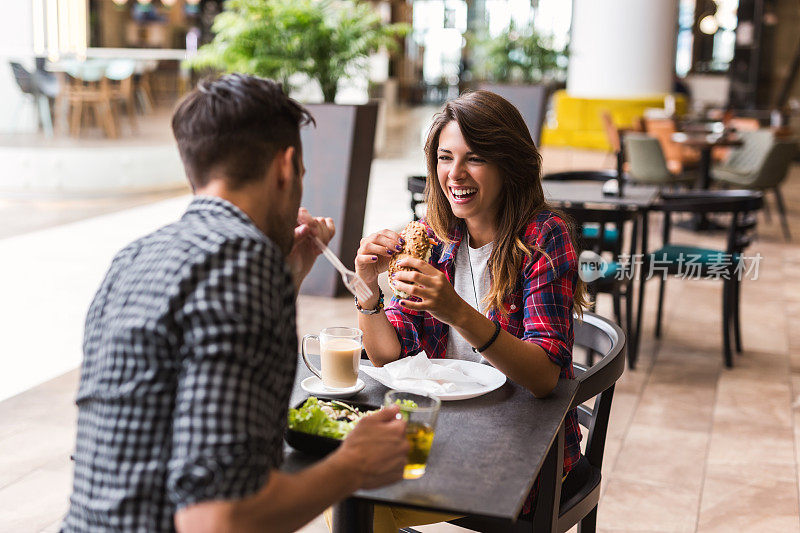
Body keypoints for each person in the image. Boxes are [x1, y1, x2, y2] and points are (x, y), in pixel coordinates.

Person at [62, 74, 409, 533]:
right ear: (286, 168)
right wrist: (355, 464)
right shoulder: (244, 262)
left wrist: (291, 273)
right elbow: (218, 520)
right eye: (302, 175)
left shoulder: (135, 256)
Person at [353, 90, 590, 531]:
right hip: (443, 431)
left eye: (475, 158)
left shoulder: (544, 237)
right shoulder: (434, 237)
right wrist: (368, 291)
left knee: (365, 507)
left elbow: (544, 377)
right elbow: (390, 355)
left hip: (522, 450)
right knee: (347, 490)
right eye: (445, 158)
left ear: (509, 163)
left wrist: (457, 311)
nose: (455, 174)